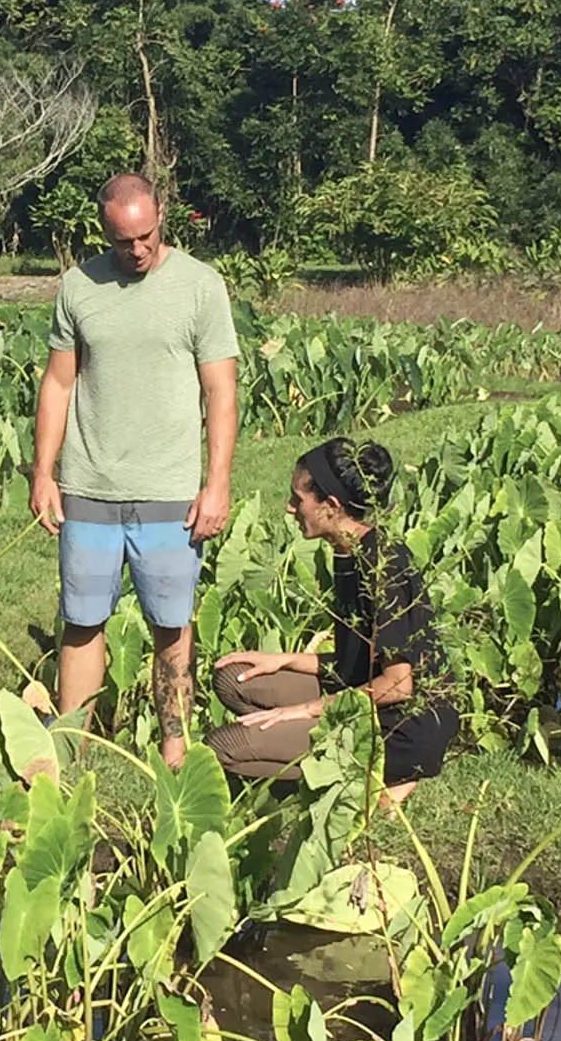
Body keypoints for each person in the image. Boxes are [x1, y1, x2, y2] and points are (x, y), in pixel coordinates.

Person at [30, 172, 239, 768]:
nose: (138, 249)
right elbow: (59, 381)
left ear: (161, 217)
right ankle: (72, 749)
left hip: (170, 491)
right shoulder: (77, 286)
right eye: (124, 241)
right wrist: (44, 472)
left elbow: (221, 391)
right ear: (104, 231)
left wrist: (216, 482)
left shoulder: (201, 287)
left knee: (171, 626)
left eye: (146, 236)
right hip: (88, 487)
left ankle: (175, 750)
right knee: (82, 621)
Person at [205, 439, 457, 802]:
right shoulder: (347, 550)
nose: (290, 509)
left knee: (225, 746)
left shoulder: (381, 566)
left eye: (298, 499)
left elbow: (398, 685)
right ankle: (323, 763)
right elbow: (354, 664)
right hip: (362, 695)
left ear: (331, 506)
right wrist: (284, 660)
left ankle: (376, 782)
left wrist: (304, 710)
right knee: (234, 679)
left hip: (403, 725)